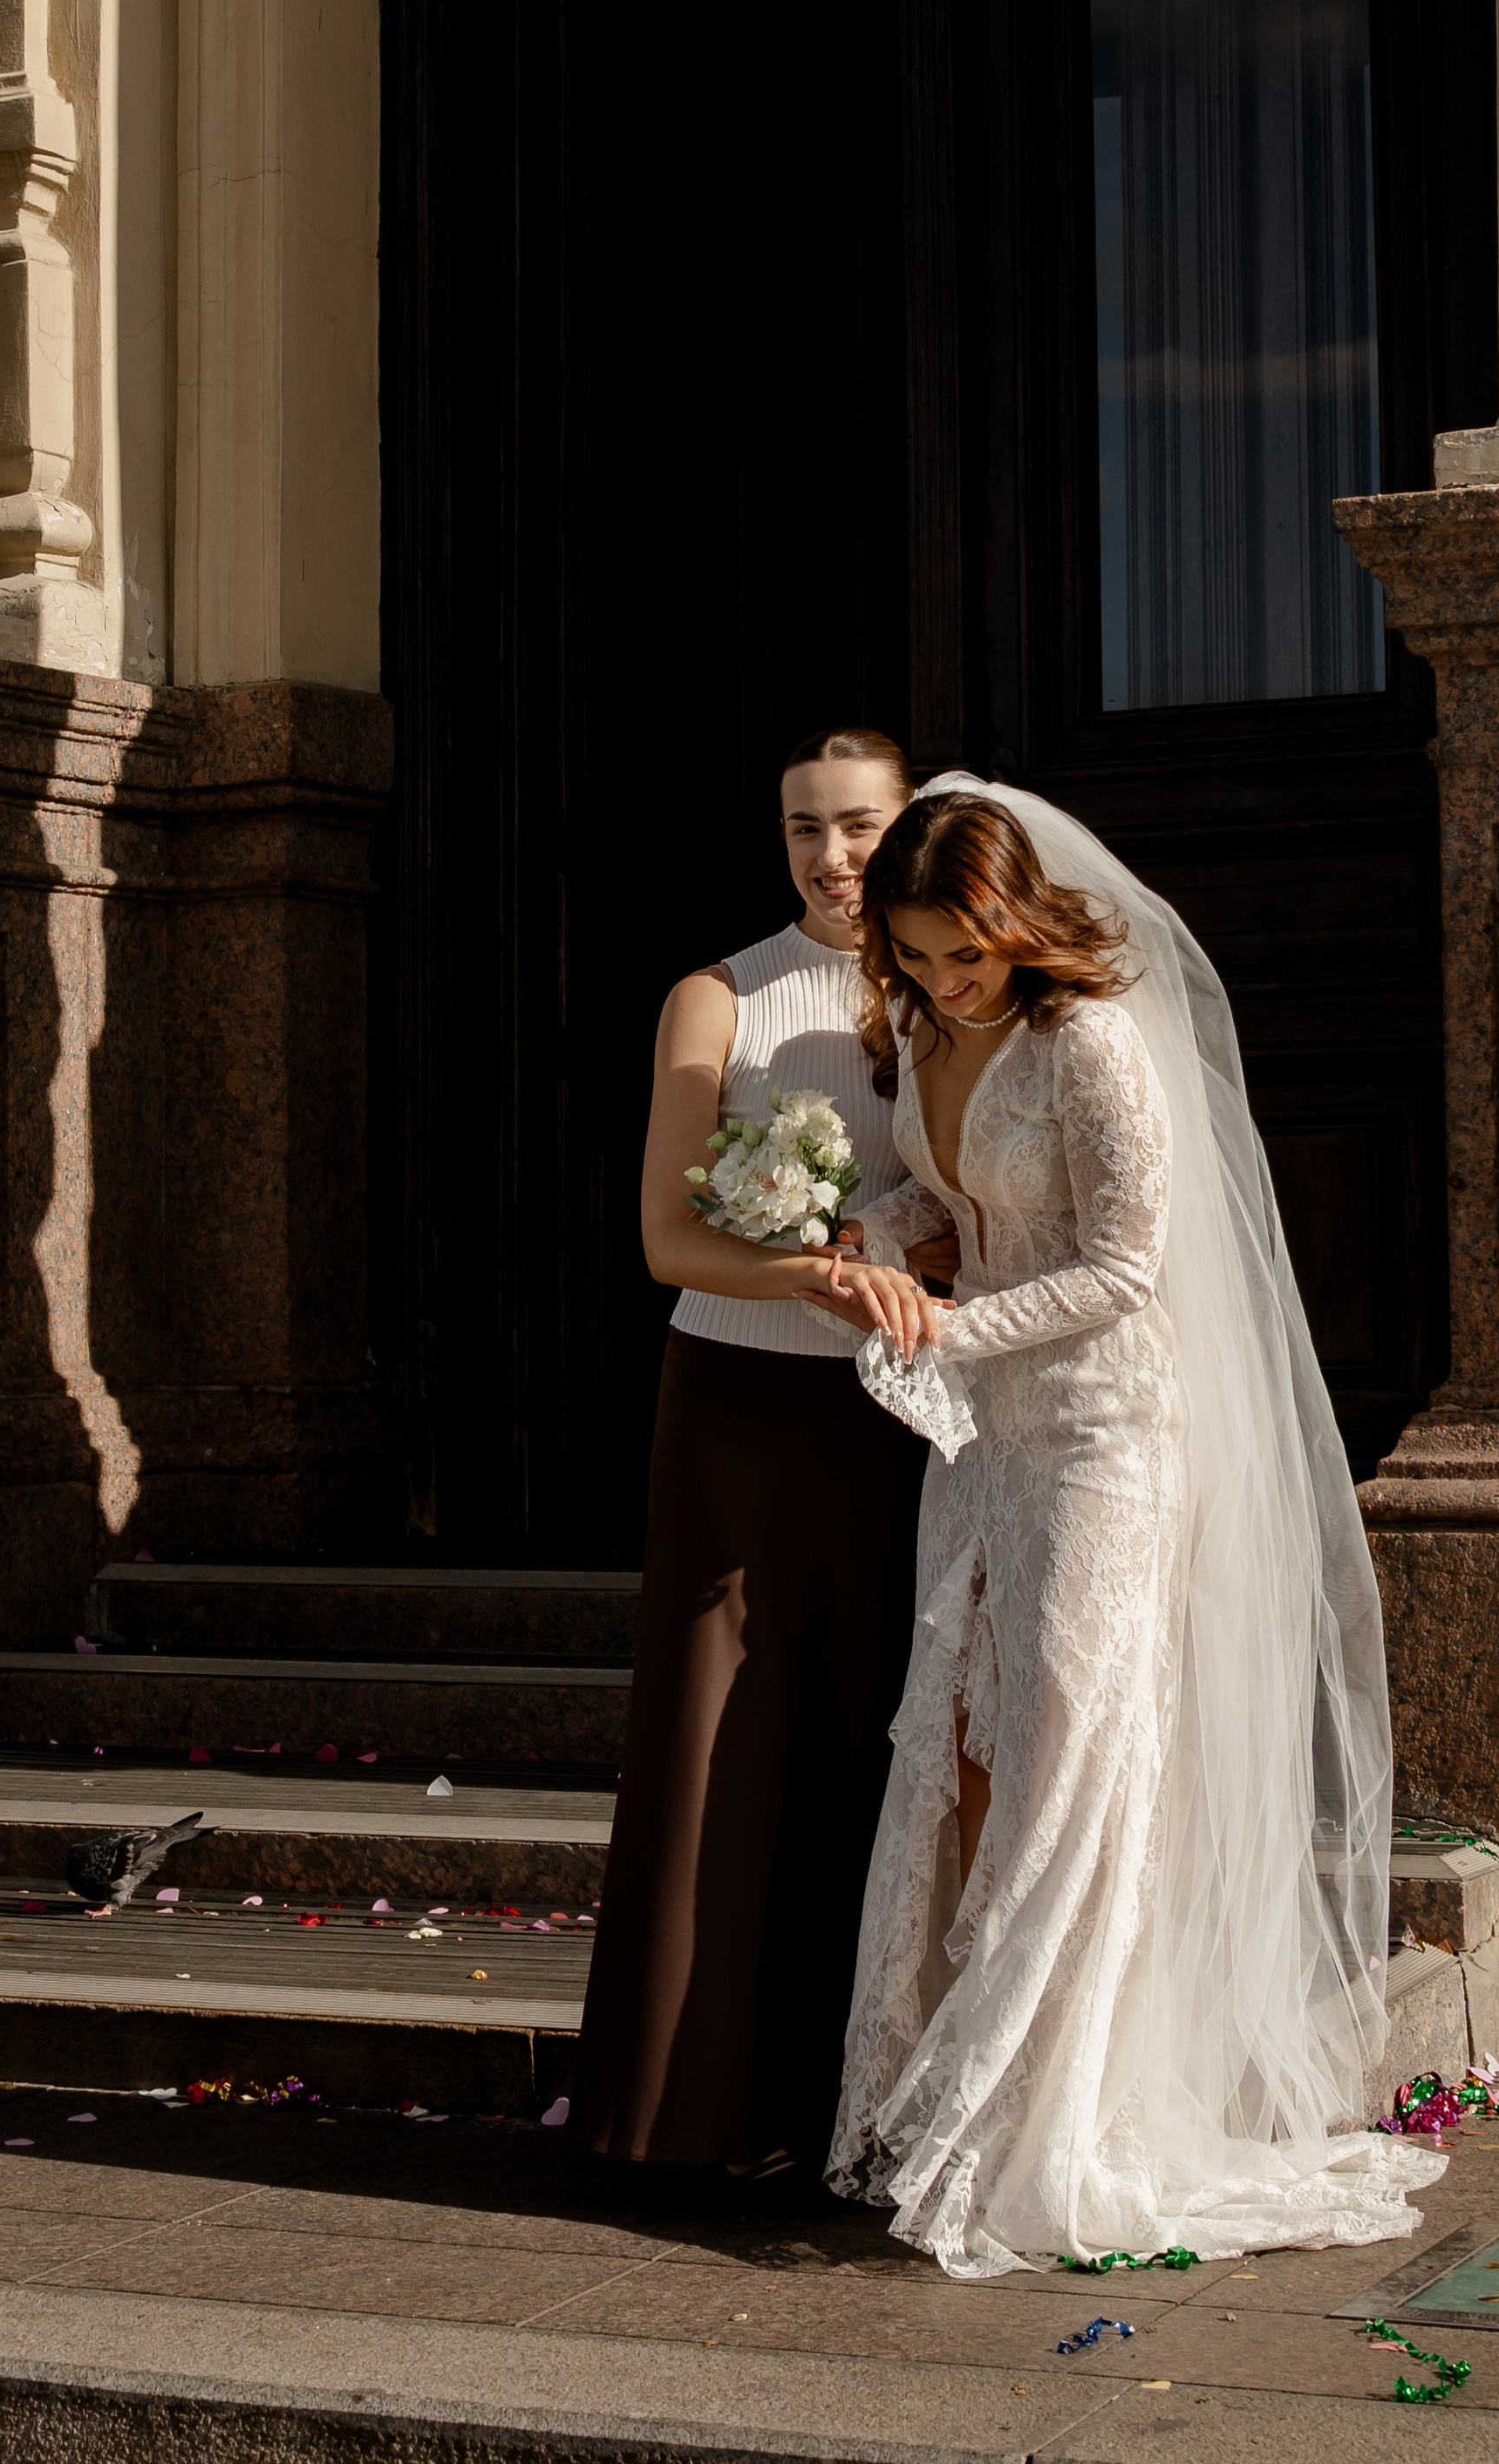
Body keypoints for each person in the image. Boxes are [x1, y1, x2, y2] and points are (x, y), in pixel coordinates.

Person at [823, 782, 1435, 2277]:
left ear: (1016, 919)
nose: (946, 984)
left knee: (1072, 1752)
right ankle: (971, 2085)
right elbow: (940, 1184)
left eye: (964, 956)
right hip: (987, 1440)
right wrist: (875, 1234)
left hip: (1105, 1434)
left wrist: (952, 1329)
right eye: (916, 961)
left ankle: (1058, 2115)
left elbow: (1124, 1267)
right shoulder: (922, 1032)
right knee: (963, 1743)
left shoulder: (1089, 1043)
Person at [573, 728, 952, 2188]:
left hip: (896, 1414)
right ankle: (685, 2110)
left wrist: (902, 1259)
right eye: (804, 827)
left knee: (875, 1728)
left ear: (913, 825)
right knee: (712, 1734)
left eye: (859, 825)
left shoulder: (950, 993)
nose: (830, 855)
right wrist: (817, 1270)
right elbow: (670, 1240)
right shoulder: (715, 994)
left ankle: (856, 2106)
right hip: (732, 1403)